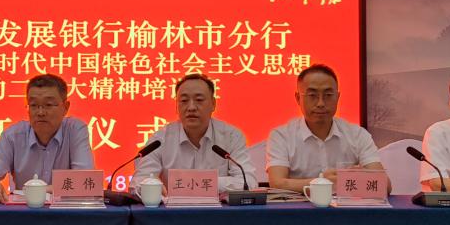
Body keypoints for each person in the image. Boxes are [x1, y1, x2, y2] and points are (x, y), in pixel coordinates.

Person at [266, 63, 388, 193]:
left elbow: (385, 185)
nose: (320, 103)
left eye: (328, 95)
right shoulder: (281, 136)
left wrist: (348, 180)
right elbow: (277, 183)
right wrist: (323, 182)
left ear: (337, 97)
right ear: (298, 98)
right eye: (312, 96)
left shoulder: (357, 135)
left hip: (345, 206)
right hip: (300, 206)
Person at [0, 74, 94, 203]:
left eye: (48, 105)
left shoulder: (75, 130)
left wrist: (37, 190)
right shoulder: (12, 136)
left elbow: (86, 181)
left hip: (65, 211)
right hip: (26, 212)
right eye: (34, 105)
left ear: (65, 107)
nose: (40, 112)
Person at [133, 73, 256, 193]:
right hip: (173, 207)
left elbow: (249, 182)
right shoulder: (160, 140)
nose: (191, 107)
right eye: (184, 100)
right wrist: (152, 189)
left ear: (213, 104)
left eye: (199, 100)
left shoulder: (231, 137)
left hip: (218, 207)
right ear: (176, 106)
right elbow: (138, 182)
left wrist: (200, 183)